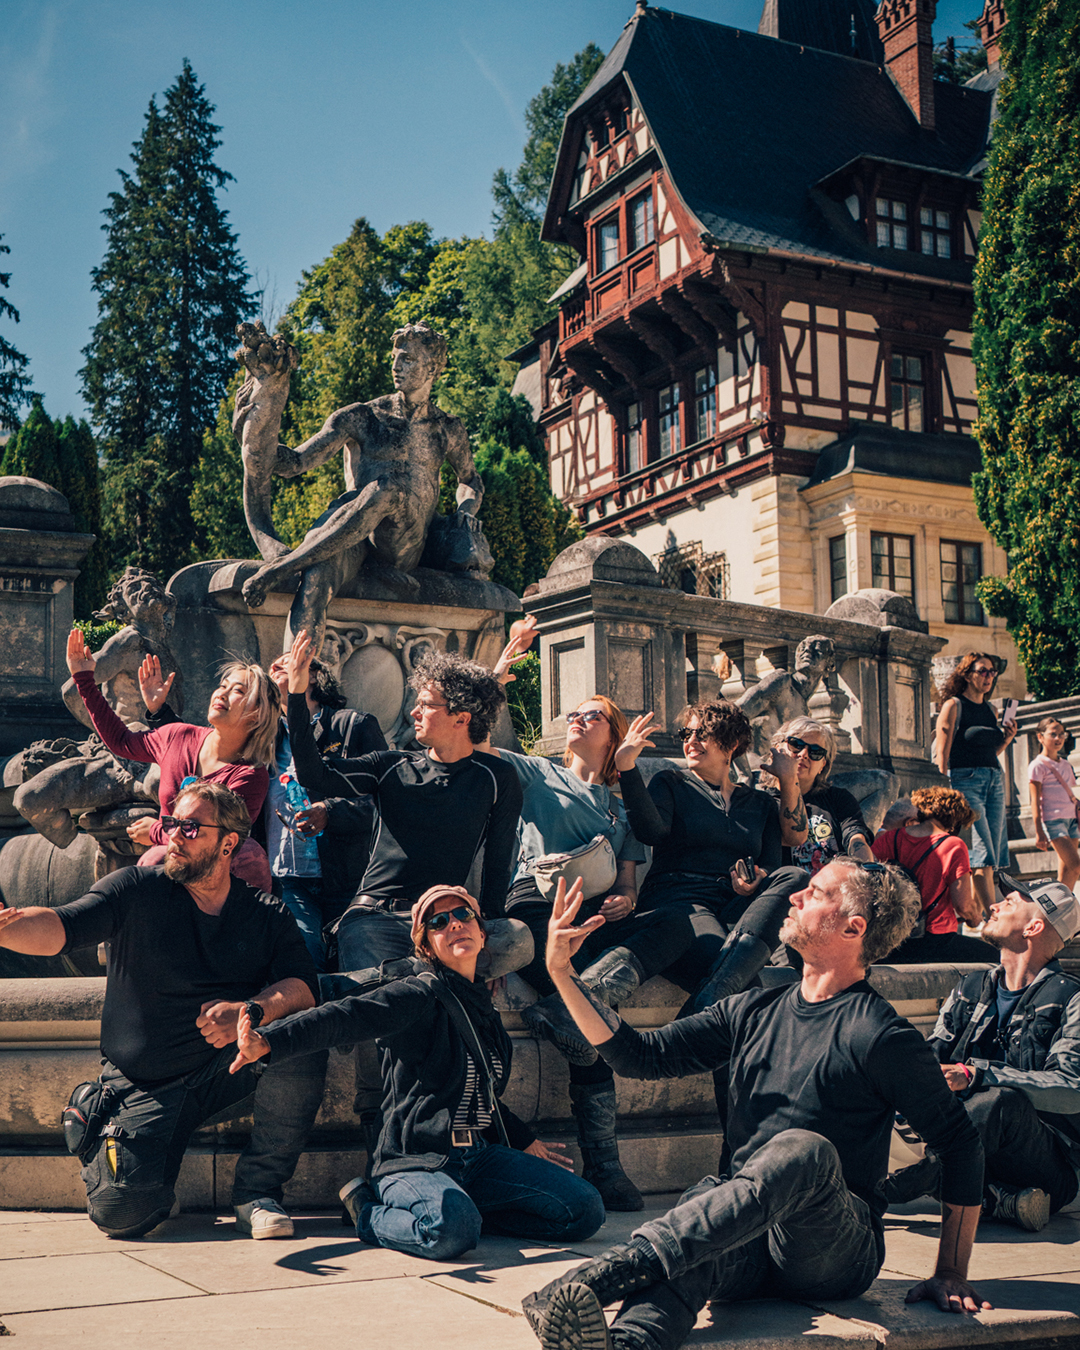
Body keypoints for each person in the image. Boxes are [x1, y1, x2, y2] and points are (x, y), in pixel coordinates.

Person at [521, 865, 990, 1350]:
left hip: (833, 1251)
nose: (796, 896)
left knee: (803, 1151)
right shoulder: (751, 1010)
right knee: (700, 1223)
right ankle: (628, 1342)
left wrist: (951, 1270)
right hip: (747, 1235)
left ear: (854, 927)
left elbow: (959, 1143)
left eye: (817, 892)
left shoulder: (880, 1034)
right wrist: (562, 972)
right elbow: (639, 1056)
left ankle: (600, 1276)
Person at [0, 782, 324, 1240]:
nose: (173, 835)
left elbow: (302, 987)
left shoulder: (266, 913)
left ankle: (257, 1192)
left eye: (190, 828)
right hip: (143, 1087)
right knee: (123, 1215)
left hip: (222, 1072)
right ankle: (97, 1120)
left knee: (301, 1037)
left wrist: (250, 1011)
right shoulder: (137, 888)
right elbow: (63, 926)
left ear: (228, 842)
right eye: (171, 823)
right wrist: (7, 930)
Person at [228, 883, 605, 1261]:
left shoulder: (481, 1005)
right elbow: (344, 1017)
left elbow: (478, 1091)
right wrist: (269, 1040)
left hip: (476, 1157)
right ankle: (367, 1209)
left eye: (463, 915)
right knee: (449, 1231)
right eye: (438, 922)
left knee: (585, 1209)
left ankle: (465, 1213)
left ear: (481, 930)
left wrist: (522, 1138)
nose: (454, 924)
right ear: (425, 945)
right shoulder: (415, 994)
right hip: (414, 1160)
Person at [234, 320, 490, 652]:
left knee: (386, 490)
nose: (397, 366)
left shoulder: (447, 429)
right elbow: (294, 463)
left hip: (407, 542)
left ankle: (284, 566)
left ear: (433, 368)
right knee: (315, 579)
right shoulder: (362, 417)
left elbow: (471, 480)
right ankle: (297, 685)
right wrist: (265, 408)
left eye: (408, 359)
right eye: (395, 357)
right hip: (357, 539)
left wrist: (465, 510)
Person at [281, 632, 524, 971]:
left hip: (444, 920)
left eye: (426, 704)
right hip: (376, 917)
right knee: (387, 999)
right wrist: (295, 694)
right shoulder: (391, 766)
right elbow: (313, 775)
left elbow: (498, 866)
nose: (414, 712)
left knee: (518, 938)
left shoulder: (497, 777)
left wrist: (484, 939)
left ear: (461, 718)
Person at [882, 875, 1080, 1233]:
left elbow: (1071, 1088)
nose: (994, 904)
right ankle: (998, 1200)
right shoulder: (972, 987)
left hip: (1047, 1162)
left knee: (999, 1102)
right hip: (970, 1145)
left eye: (1012, 902)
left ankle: (882, 1192)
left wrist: (980, 1074)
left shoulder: (1071, 997)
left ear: (1035, 926)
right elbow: (931, 1054)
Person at [611, 700, 807, 1014]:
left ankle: (675, 1041)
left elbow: (773, 862)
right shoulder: (670, 782)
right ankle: (672, 1047)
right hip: (680, 905)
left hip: (733, 911)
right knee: (747, 994)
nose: (691, 741)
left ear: (731, 744)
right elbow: (652, 832)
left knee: (795, 877)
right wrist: (627, 768)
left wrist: (756, 877)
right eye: (686, 734)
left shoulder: (760, 803)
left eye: (702, 733)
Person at [65, 629, 278, 890]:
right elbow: (121, 741)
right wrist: (84, 679)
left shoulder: (250, 776)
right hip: (167, 864)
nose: (221, 694)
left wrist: (156, 832)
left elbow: (212, 836)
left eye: (238, 691)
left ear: (257, 714)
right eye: (222, 685)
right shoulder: (178, 735)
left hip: (217, 880)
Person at [871, 786, 996, 964]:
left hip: (893, 938)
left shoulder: (890, 838)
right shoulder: (953, 845)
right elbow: (963, 906)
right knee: (995, 958)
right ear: (954, 821)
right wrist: (975, 919)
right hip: (935, 938)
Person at [934, 652, 1017, 916]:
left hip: (994, 778)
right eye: (983, 671)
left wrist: (1007, 738)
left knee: (992, 853)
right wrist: (942, 786)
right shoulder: (954, 705)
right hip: (964, 780)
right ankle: (993, 918)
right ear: (967, 674)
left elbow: (992, 751)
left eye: (992, 672)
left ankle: (987, 919)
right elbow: (942, 752)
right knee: (981, 852)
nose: (989, 677)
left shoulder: (991, 710)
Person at [762, 716, 874, 869]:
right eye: (796, 744)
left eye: (816, 752)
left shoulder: (838, 799)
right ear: (777, 749)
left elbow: (855, 838)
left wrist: (868, 870)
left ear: (823, 765)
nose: (804, 754)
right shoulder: (760, 801)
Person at [1028, 717, 1080, 890]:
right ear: (1040, 737)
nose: (1058, 739)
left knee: (1069, 872)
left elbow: (1072, 792)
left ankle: (1060, 913)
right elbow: (1034, 800)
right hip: (1054, 822)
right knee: (1077, 865)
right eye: (1053, 734)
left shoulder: (1065, 764)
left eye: (1061, 734)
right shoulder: (1037, 765)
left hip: (1072, 820)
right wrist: (1038, 831)